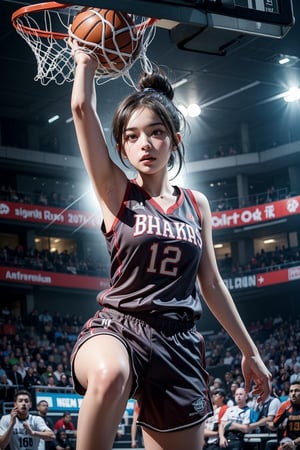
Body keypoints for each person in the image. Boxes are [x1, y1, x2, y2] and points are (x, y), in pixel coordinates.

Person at [68, 36, 271, 450]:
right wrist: (85, 60)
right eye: (132, 136)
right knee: (109, 376)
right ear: (122, 147)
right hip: (120, 328)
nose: (145, 143)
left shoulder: (197, 204)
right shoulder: (115, 190)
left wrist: (250, 352)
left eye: (156, 132)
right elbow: (81, 109)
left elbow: (211, 284)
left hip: (179, 343)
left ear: (174, 139)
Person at [266, 379, 300, 450]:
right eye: (291, 391)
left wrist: (294, 443)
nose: (293, 393)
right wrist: (266, 422)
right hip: (288, 443)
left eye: (296, 391)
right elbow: (274, 425)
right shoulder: (285, 406)